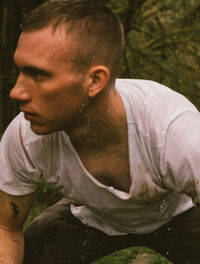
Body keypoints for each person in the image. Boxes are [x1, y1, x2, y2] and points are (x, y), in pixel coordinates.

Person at [0, 0, 200, 263]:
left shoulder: (175, 131)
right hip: (94, 217)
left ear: (94, 80)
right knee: (35, 247)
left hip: (180, 214)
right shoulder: (25, 137)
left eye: (38, 75)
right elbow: (6, 227)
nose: (16, 92)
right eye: (20, 72)